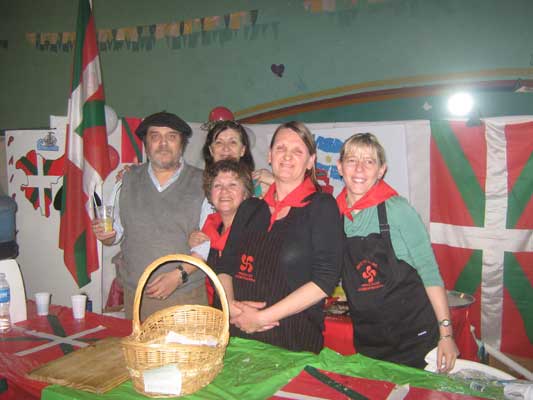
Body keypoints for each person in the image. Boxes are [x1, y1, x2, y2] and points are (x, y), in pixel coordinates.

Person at [336, 132, 459, 371]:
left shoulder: (398, 210)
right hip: (369, 342)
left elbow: (430, 272)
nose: (359, 168)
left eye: (369, 161)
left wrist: (446, 335)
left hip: (415, 338)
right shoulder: (333, 216)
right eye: (352, 160)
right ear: (340, 167)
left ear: (381, 170)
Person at [217, 121, 343, 353]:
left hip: (292, 341)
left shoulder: (321, 207)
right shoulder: (249, 208)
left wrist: (262, 318)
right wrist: (231, 307)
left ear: (311, 161)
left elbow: (325, 280)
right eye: (281, 148)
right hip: (238, 336)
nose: (287, 156)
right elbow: (225, 265)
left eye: (298, 151)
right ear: (269, 155)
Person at [92, 111, 206, 320]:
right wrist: (107, 235)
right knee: (139, 354)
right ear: (146, 145)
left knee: (184, 354)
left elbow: (210, 242)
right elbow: (117, 230)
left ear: (182, 144)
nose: (163, 143)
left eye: (171, 137)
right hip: (136, 298)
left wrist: (179, 276)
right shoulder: (125, 180)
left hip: (184, 297)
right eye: (155, 137)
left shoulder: (204, 183)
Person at [195, 159, 253, 306]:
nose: (224, 191)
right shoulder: (209, 228)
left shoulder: (256, 229)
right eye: (218, 185)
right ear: (210, 193)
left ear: (245, 193)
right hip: (215, 315)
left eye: (232, 185)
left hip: (247, 315)